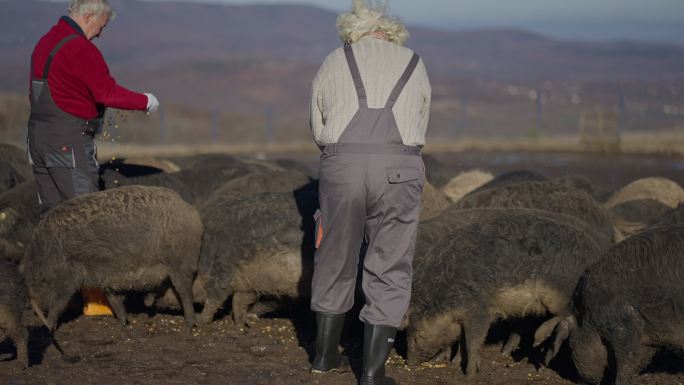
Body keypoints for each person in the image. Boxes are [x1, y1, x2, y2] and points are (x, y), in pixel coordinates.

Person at [308, 1, 431, 384]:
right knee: (391, 263)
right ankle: (374, 374)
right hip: (399, 169)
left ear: (352, 33)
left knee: (334, 257)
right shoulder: (415, 62)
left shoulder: (333, 60)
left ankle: (325, 356)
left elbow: (318, 121)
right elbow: (422, 120)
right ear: (391, 32)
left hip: (342, 168)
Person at [27, 0, 159, 316]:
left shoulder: (45, 42)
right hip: (67, 142)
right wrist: (145, 101)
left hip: (38, 138)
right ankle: (94, 299)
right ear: (88, 16)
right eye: (101, 27)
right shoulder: (79, 48)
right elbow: (107, 93)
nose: (99, 35)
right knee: (87, 217)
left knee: (53, 218)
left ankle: (57, 292)